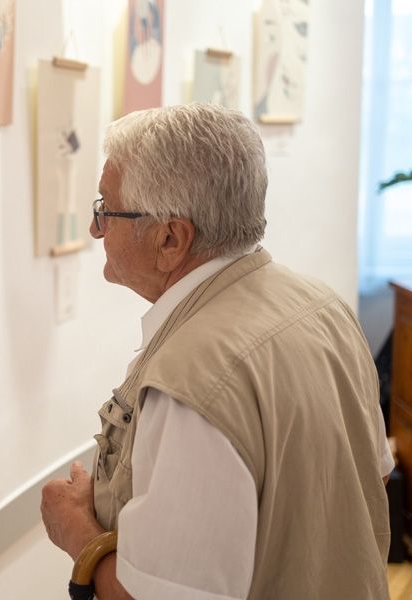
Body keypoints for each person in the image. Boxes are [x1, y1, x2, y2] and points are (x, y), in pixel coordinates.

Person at [40, 104, 393, 600]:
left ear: (170, 239)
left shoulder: (190, 387)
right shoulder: (323, 306)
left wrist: (75, 529)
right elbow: (373, 473)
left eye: (106, 209)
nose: (97, 229)